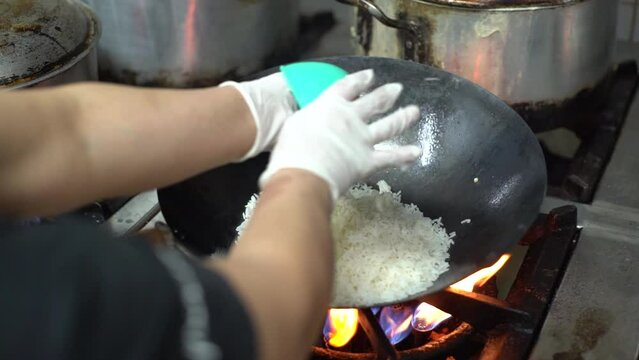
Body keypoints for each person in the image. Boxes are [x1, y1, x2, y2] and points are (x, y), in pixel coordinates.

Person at [0, 69, 421, 360]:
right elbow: (265, 324)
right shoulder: (38, 288)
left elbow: (65, 131)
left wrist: (252, 109)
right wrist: (308, 176)